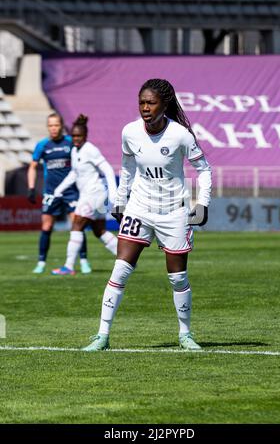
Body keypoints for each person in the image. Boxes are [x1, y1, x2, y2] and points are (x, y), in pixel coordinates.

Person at [82, 78, 212, 352]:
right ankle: (102, 336)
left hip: (174, 211)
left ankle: (185, 335)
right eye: (141, 102)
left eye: (151, 103)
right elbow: (127, 168)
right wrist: (120, 200)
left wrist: (202, 204)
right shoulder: (130, 132)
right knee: (120, 270)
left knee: (178, 278)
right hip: (139, 208)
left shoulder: (181, 135)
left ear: (164, 105)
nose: (145, 107)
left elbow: (205, 170)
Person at [51, 114, 118, 275]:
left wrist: (114, 194)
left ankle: (68, 266)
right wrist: (58, 190)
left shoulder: (90, 150)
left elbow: (108, 170)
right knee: (99, 230)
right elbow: (74, 174)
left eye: (79, 136)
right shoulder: (75, 151)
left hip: (93, 194)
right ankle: (127, 260)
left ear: (85, 136)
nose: (76, 138)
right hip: (92, 195)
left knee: (76, 225)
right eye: (73, 135)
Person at [27, 112, 91, 274]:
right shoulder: (42, 145)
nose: (53, 128)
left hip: (70, 191)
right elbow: (32, 167)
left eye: (56, 125)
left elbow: (85, 156)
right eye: (50, 125)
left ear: (61, 126)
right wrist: (31, 188)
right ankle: (41, 262)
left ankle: (83, 261)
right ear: (47, 127)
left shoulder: (70, 142)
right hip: (51, 192)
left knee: (77, 225)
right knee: (47, 226)